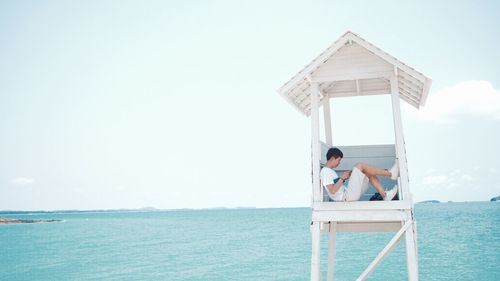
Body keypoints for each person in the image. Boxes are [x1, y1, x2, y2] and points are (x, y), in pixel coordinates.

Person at [320, 147, 399, 202]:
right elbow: (332, 190)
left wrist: (346, 177)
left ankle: (385, 195)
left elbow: (336, 186)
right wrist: (342, 178)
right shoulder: (325, 171)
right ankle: (390, 174)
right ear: (332, 158)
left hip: (348, 194)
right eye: (339, 160)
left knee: (366, 171)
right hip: (346, 197)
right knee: (360, 165)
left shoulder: (329, 171)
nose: (339, 163)